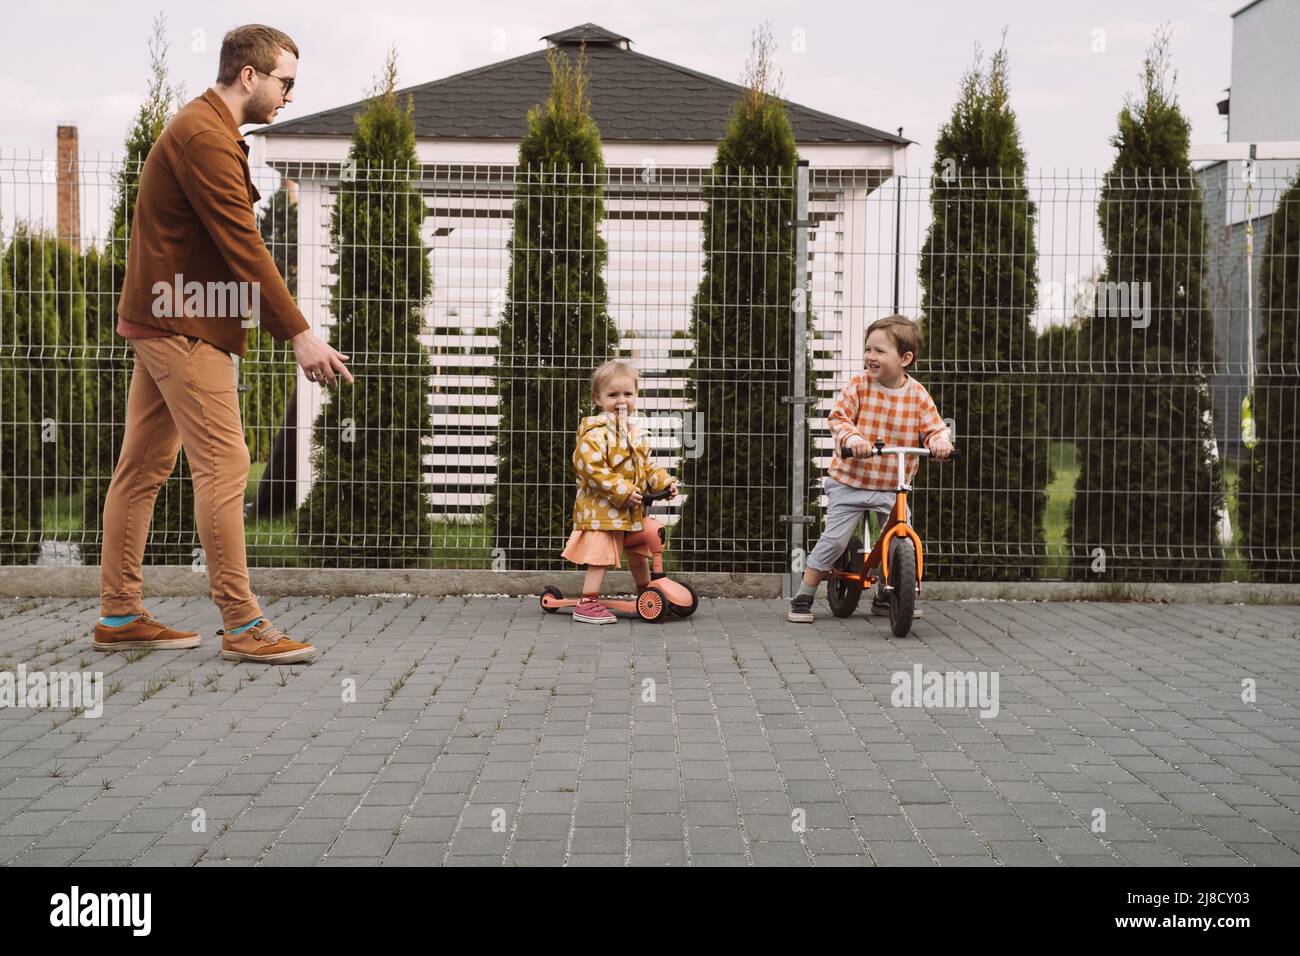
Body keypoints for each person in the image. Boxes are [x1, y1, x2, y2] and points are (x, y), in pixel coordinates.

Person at [95, 24, 352, 664]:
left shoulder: (208, 128)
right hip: (183, 324)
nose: (289, 95)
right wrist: (299, 334)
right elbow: (244, 244)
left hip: (171, 316)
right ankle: (242, 625)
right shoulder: (205, 136)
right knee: (227, 464)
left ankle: (119, 613)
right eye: (285, 82)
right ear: (249, 76)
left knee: (143, 468)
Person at [788, 315, 953, 623]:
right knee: (835, 540)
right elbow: (839, 418)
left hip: (891, 485)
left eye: (879, 351)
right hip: (850, 481)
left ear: (905, 358)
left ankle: (888, 595)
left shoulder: (918, 394)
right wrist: (854, 439)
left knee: (901, 536)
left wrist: (940, 442)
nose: (870, 356)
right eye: (868, 349)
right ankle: (805, 593)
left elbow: (934, 427)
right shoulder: (859, 386)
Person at [560, 361, 679, 624]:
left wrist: (664, 483)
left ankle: (648, 595)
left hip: (629, 512)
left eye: (627, 394)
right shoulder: (595, 434)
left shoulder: (634, 433)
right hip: (601, 513)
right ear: (597, 398)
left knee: (639, 553)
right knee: (600, 556)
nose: (621, 400)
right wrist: (623, 490)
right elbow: (591, 470)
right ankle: (587, 603)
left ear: (636, 395)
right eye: (613, 395)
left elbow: (646, 467)